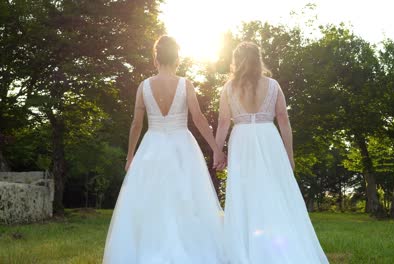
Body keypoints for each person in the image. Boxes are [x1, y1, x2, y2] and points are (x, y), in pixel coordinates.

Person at [103, 36, 226, 264]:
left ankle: (151, 247)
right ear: (177, 58)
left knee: (151, 199)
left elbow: (136, 124)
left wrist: (130, 156)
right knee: (186, 198)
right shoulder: (185, 84)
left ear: (155, 58)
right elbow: (198, 119)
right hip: (182, 146)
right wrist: (216, 149)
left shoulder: (144, 86)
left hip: (152, 146)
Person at [215, 41, 329, 264]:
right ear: (258, 60)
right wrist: (290, 156)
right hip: (269, 138)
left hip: (242, 140)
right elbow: (284, 121)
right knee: (274, 190)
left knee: (245, 194)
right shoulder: (273, 85)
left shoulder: (229, 88)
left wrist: (217, 152)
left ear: (236, 61)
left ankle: (249, 248)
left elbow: (222, 123)